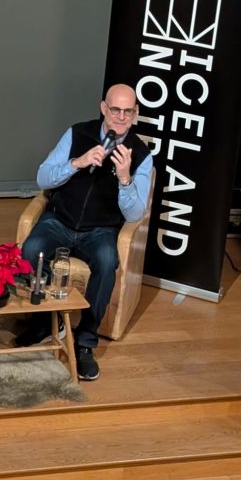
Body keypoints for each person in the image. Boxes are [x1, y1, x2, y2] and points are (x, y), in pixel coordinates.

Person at [16, 84, 153, 381]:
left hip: (100, 230)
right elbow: (42, 177)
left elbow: (134, 214)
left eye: (128, 111)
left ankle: (85, 342)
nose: (120, 116)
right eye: (115, 109)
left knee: (106, 264)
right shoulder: (77, 133)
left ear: (136, 114)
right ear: (103, 108)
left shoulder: (141, 155)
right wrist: (76, 163)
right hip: (59, 221)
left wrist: (125, 179)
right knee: (30, 252)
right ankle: (44, 323)